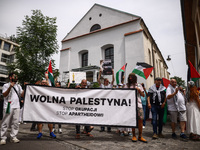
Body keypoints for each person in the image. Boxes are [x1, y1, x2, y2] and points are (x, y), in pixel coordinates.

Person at [0, 73, 24, 145]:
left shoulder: (18, 86)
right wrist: (10, 87)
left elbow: (21, 95)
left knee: (15, 122)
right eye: (14, 76)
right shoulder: (6, 85)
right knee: (5, 122)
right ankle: (3, 138)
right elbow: (4, 95)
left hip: (16, 106)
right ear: (10, 77)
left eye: (17, 76)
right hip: (8, 106)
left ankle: (13, 137)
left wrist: (25, 88)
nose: (16, 77)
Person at [124, 73, 147, 143]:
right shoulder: (127, 85)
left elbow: (143, 95)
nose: (130, 78)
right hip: (130, 105)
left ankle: (140, 136)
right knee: (132, 121)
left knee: (140, 120)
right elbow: (123, 94)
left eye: (131, 77)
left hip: (138, 104)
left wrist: (139, 90)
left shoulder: (139, 85)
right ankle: (134, 135)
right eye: (129, 77)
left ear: (134, 78)